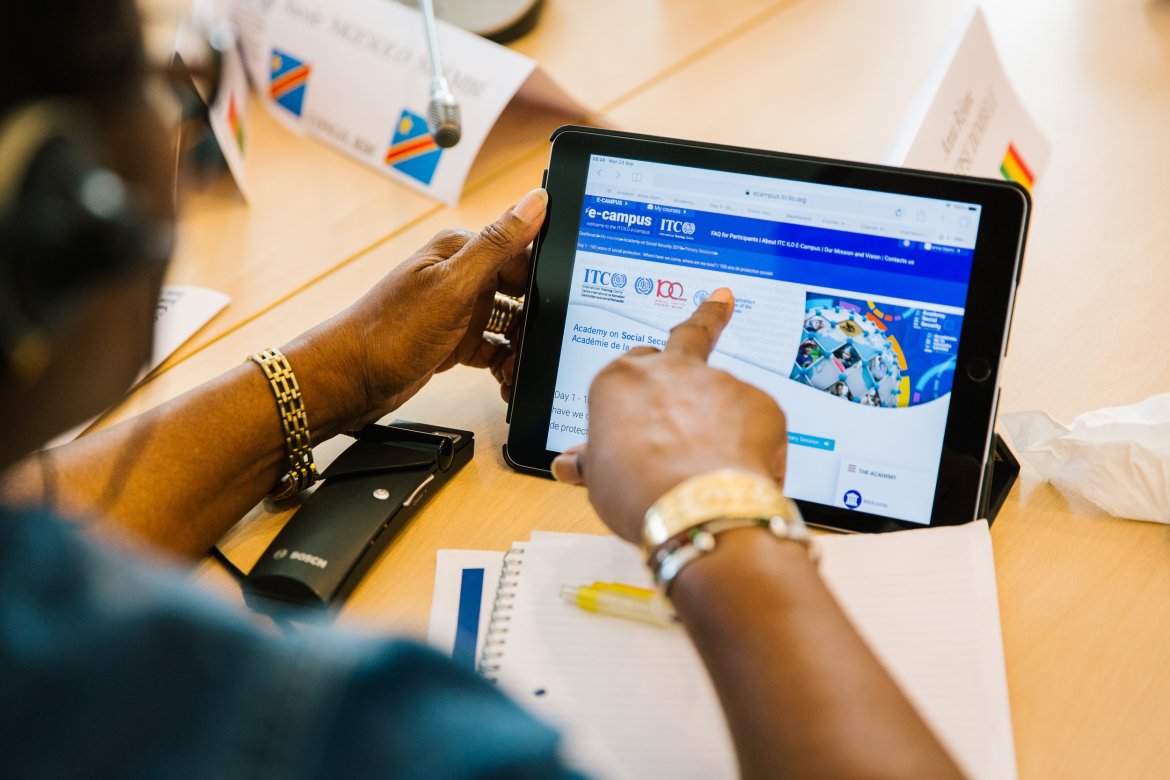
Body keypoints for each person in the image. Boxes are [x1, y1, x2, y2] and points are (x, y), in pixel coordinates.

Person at [0, 2, 963, 777]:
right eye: (167, 74)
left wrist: (339, 373)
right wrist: (718, 514)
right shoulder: (329, 730)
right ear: (60, 212)